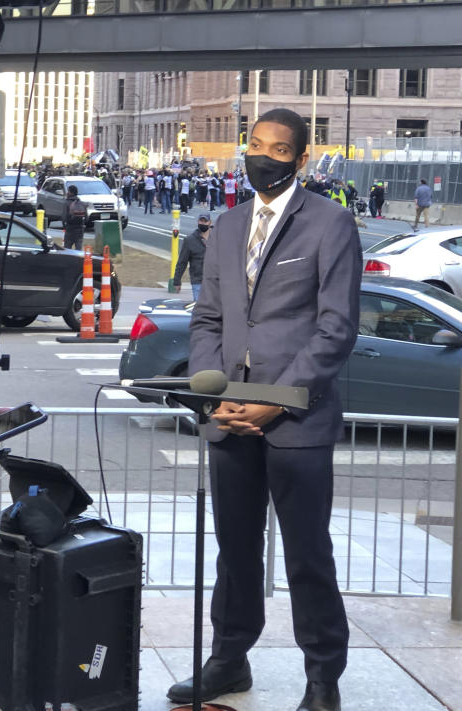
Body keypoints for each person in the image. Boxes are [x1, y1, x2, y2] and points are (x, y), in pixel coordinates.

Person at [172, 108, 361, 711]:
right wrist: (215, 393)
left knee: (308, 554)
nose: (263, 156)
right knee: (235, 550)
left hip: (296, 421)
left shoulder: (331, 225)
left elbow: (335, 330)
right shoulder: (227, 226)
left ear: (301, 160)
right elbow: (208, 319)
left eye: (278, 150)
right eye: (255, 145)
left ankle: (323, 679)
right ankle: (229, 660)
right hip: (229, 420)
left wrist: (274, 403)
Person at [172, 213, 212, 302]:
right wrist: (177, 281)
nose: (203, 223)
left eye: (205, 221)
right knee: (200, 309)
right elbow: (182, 262)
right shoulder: (190, 240)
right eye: (201, 221)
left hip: (213, 281)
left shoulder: (216, 238)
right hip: (198, 281)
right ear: (198, 222)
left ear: (210, 223)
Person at [61, 184, 87, 251]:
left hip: (70, 228)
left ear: (70, 192)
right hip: (80, 229)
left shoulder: (66, 203)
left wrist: (64, 226)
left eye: (68, 191)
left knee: (67, 248)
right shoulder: (81, 203)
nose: (67, 193)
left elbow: (64, 217)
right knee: (78, 249)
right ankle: (78, 261)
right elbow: (86, 217)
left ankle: (68, 261)